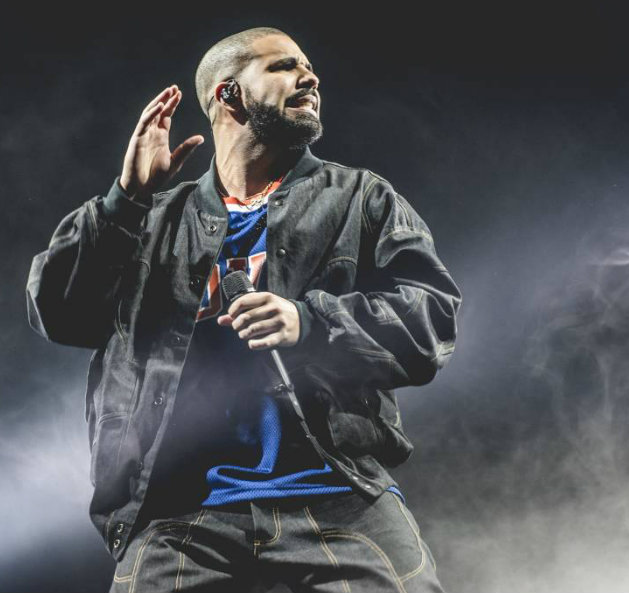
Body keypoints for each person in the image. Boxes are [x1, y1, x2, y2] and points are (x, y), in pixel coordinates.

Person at [26, 26, 461, 592]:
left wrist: (310, 322)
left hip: (337, 494)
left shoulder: (360, 198)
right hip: (181, 512)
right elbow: (57, 311)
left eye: (308, 67)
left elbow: (432, 317)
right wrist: (124, 200)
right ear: (228, 94)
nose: (310, 77)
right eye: (284, 66)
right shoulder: (151, 221)